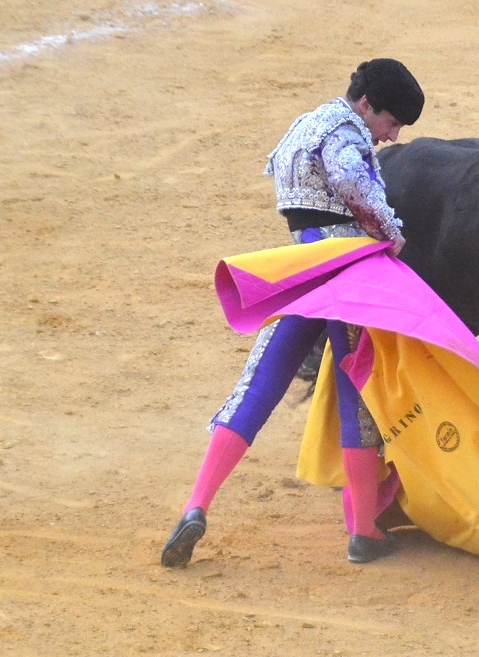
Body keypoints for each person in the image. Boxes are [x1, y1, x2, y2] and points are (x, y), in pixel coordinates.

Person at [160, 58, 424, 567]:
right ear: (367, 105)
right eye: (391, 123)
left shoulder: (304, 126)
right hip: (347, 271)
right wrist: (392, 233)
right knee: (358, 389)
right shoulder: (345, 133)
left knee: (257, 384)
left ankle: (196, 505)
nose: (390, 137)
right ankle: (364, 530)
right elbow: (353, 185)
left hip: (304, 267)